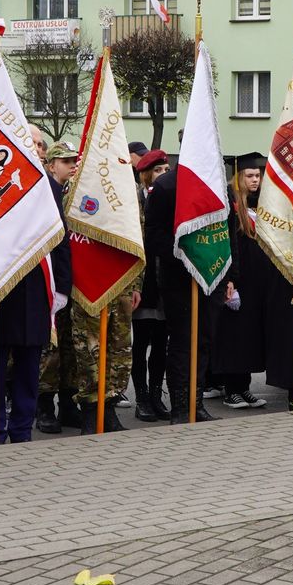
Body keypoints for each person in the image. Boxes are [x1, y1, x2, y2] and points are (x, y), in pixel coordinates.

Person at [0, 146, 72, 444]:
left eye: (40, 145)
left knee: (30, 365)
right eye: (33, 143)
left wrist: (62, 288)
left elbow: (59, 239)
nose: (38, 149)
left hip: (33, 289)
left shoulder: (43, 189)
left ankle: (21, 430)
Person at [141, 151, 222, 423]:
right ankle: (180, 406)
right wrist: (185, 255)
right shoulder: (166, 187)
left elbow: (227, 231)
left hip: (212, 277)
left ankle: (196, 403)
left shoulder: (217, 184)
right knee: (182, 342)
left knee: (206, 341)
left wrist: (231, 273)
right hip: (178, 278)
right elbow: (153, 235)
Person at [209, 155, 272, 408]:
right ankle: (230, 389)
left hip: (257, 282)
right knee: (233, 336)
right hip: (237, 280)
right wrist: (230, 279)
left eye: (258, 176)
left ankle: (244, 388)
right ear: (238, 177)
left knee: (250, 337)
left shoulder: (259, 204)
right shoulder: (230, 205)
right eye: (249, 175)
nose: (255, 180)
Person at [37, 140, 91, 434]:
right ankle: (44, 407)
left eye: (74, 161)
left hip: (74, 281)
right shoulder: (46, 192)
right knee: (52, 348)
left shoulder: (75, 193)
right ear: (52, 164)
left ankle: (68, 405)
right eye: (66, 161)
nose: (72, 166)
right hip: (53, 280)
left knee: (70, 347)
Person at [128, 148, 171, 420]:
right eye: (157, 171)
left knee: (161, 343)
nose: (162, 176)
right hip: (143, 281)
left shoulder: (170, 197)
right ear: (145, 175)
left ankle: (156, 393)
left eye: (166, 170)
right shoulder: (136, 200)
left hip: (164, 278)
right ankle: (141, 397)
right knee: (141, 342)